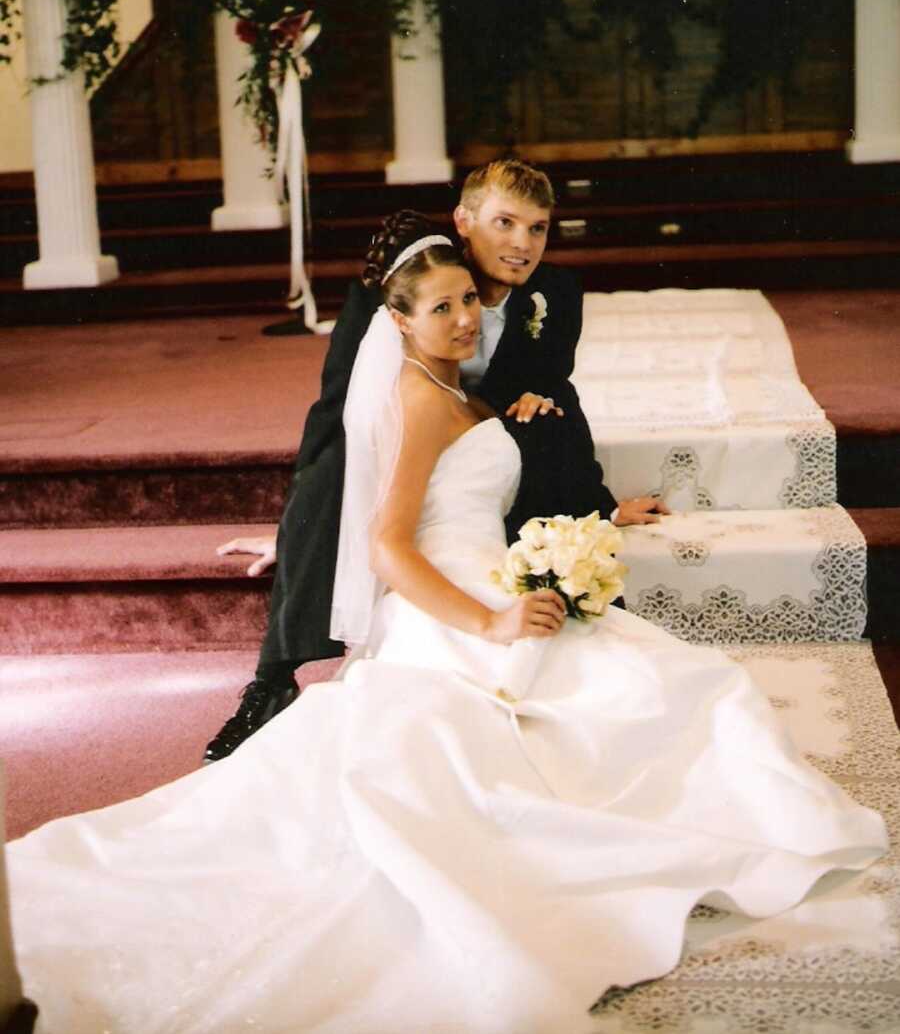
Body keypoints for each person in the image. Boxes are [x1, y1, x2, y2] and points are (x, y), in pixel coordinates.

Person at [6, 230, 886, 1034]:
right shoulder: (420, 400)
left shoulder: (451, 387)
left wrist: (563, 537)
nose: (465, 317)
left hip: (489, 573)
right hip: (454, 604)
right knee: (618, 705)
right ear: (397, 318)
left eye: (469, 299)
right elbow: (389, 547)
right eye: (441, 307)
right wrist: (494, 619)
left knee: (670, 681)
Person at [207, 159, 667, 762]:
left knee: (552, 416)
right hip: (403, 429)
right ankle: (271, 682)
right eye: (505, 223)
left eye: (537, 228)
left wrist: (602, 506)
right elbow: (337, 413)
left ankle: (574, 577)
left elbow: (557, 385)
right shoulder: (403, 285)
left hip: (481, 431)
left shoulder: (555, 294)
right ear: (464, 223)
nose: (521, 244)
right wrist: (300, 523)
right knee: (332, 467)